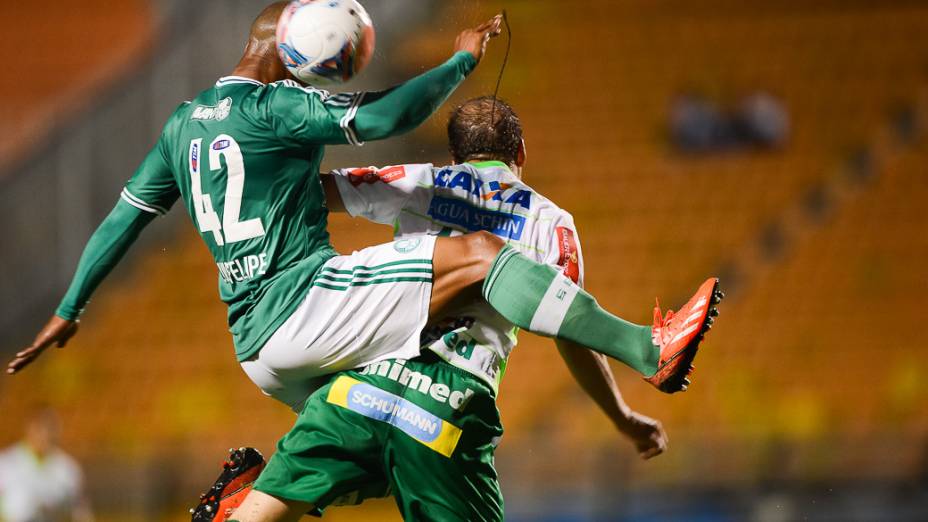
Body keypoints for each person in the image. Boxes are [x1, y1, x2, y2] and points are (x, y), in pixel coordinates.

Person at [9, 2, 719, 403]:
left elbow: (121, 220)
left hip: (254, 348)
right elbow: (381, 120)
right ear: (295, 54)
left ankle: (253, 500)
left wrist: (69, 308)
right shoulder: (277, 107)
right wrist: (461, 61)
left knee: (374, 428)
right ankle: (645, 348)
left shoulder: (181, 125)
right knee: (481, 253)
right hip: (301, 304)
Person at [191, 97, 721, 522]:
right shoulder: (549, 221)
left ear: (454, 155)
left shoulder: (420, 180)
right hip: (446, 409)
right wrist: (622, 418)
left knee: (266, 507)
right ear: (522, 152)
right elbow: (569, 328)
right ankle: (647, 349)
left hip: (355, 391)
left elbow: (312, 192)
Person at [0, 408, 94, 522]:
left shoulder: (68, 468)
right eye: (39, 428)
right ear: (29, 428)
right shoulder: (6, 462)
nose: (45, 434)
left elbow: (81, 510)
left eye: (50, 428)